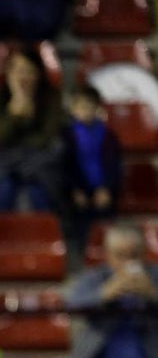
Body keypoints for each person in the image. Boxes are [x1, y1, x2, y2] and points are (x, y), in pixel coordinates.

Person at [60, 224, 158, 358]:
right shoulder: (95, 279)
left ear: (144, 254)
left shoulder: (155, 277)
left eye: (134, 255)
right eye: (120, 255)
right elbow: (71, 304)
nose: (128, 262)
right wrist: (104, 295)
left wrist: (152, 295)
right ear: (108, 256)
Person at [0, 45, 65, 215]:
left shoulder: (52, 100)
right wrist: (14, 112)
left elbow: (46, 139)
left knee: (38, 190)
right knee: (2, 188)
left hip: (40, 167)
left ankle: (49, 237)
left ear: (38, 74)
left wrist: (27, 116)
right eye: (18, 71)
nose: (23, 77)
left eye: (28, 71)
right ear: (8, 74)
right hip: (5, 168)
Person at [63, 84, 122, 249]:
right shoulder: (67, 136)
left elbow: (114, 165)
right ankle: (86, 254)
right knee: (82, 226)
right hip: (79, 192)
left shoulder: (109, 136)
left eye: (90, 106)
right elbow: (66, 167)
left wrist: (106, 189)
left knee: (106, 225)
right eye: (81, 106)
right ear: (73, 109)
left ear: (98, 109)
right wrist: (75, 190)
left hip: (103, 192)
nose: (85, 111)